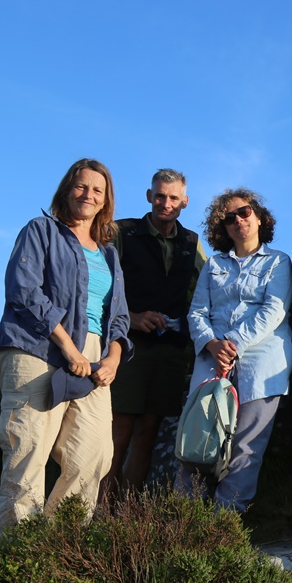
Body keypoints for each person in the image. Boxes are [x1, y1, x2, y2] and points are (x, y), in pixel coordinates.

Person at [0, 158, 132, 540]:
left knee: (95, 455)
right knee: (28, 453)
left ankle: (57, 547)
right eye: (81, 186)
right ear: (67, 189)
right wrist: (68, 348)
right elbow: (24, 291)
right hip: (36, 348)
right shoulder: (41, 231)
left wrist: (114, 358)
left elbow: (118, 317)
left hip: (93, 358)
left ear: (106, 201)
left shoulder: (109, 254)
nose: (88, 195)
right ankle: (14, 560)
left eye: (97, 190)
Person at [182, 189, 292, 511]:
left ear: (258, 216)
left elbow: (273, 311)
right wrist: (212, 344)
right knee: (197, 440)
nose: (238, 221)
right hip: (211, 358)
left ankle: (222, 527)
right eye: (229, 218)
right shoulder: (213, 265)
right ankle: (183, 521)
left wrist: (230, 343)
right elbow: (197, 312)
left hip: (262, 361)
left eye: (244, 212)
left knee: (246, 448)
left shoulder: (278, 262)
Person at [104, 169, 206, 495]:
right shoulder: (123, 232)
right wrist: (130, 317)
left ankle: (128, 514)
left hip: (171, 349)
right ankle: (101, 515)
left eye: (173, 198)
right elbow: (101, 284)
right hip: (128, 345)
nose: (166, 203)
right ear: (149, 196)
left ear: (184, 202)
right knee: (119, 430)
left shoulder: (192, 241)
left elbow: (209, 283)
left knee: (149, 430)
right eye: (160, 196)